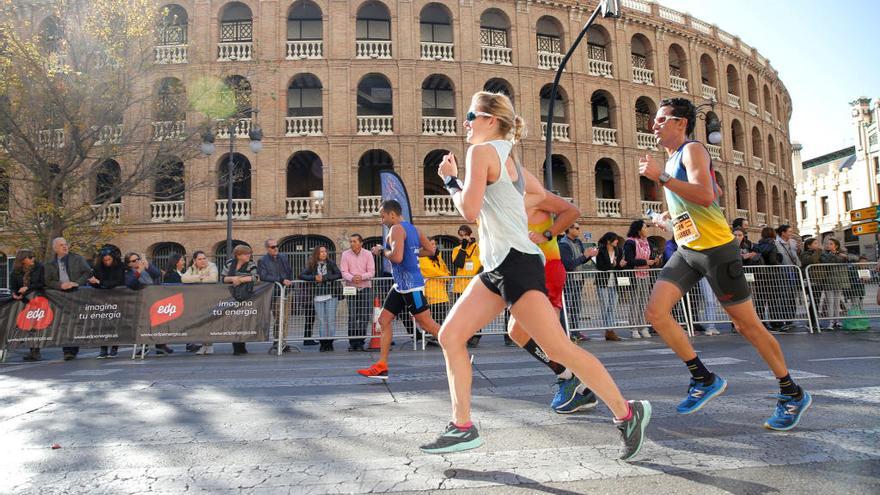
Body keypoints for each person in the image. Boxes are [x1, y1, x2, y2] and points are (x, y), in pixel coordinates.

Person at [422, 91, 650, 459]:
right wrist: (515, 208)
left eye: (471, 115)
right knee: (450, 335)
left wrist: (450, 180)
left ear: (490, 120)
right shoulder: (510, 161)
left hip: (516, 264)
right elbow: (539, 195)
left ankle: (627, 413)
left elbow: (468, 210)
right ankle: (462, 426)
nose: (465, 122)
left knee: (561, 348)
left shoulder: (480, 153)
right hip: (497, 266)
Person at [639, 97, 810, 431]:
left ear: (680, 123)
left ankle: (792, 392)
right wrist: (667, 219)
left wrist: (662, 178)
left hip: (717, 251)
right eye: (654, 121)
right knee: (656, 313)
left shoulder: (692, 149)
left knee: (748, 326)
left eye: (661, 120)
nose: (654, 126)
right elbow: (702, 197)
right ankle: (702, 378)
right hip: (687, 250)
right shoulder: (674, 158)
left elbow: (707, 195)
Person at [507, 189, 599, 414]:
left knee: (548, 336)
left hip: (546, 269)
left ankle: (612, 403)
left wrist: (547, 235)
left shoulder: (532, 191)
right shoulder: (503, 196)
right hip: (526, 270)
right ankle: (572, 380)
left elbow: (572, 211)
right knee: (518, 333)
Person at [356, 200, 442, 379]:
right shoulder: (414, 229)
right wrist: (413, 253)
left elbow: (396, 257)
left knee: (426, 323)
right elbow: (431, 251)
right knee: (384, 320)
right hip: (400, 286)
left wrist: (381, 250)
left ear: (392, 214)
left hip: (412, 286)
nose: (381, 220)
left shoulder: (395, 229)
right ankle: (382, 365)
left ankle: (458, 347)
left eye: (382, 216)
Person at [44, 237, 93, 361]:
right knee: (64, 322)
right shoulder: (49, 263)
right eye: (61, 245)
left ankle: (73, 348)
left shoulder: (77, 258)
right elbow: (47, 280)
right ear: (55, 248)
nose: (65, 247)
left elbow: (87, 272)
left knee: (75, 321)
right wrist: (60, 285)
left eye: (65, 244)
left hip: (76, 293)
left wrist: (76, 283)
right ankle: (67, 350)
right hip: (60, 295)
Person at [558, 223, 599, 342]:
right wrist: (584, 255)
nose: (578, 230)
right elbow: (569, 264)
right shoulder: (563, 244)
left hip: (579, 279)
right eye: (576, 228)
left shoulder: (579, 242)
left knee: (576, 307)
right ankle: (565, 332)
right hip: (569, 280)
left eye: (578, 228)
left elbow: (581, 259)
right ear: (568, 229)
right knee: (567, 307)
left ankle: (575, 332)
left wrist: (590, 255)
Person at [300, 246, 342, 352]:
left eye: (325, 252)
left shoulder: (331, 263)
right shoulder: (311, 264)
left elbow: (339, 274)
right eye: (321, 252)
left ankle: (330, 343)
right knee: (322, 321)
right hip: (317, 296)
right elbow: (301, 275)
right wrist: (314, 277)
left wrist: (326, 277)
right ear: (316, 254)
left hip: (331, 295)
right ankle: (323, 343)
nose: (324, 253)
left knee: (331, 320)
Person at [622, 220, 659, 339]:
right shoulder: (630, 243)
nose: (647, 229)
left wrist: (654, 261)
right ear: (638, 230)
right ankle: (633, 328)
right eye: (645, 227)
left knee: (644, 301)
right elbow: (630, 260)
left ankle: (643, 326)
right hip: (635, 275)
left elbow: (650, 257)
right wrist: (645, 262)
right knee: (635, 301)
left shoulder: (647, 242)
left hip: (646, 274)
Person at [221, 244, 259, 355]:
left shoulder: (251, 264)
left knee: (243, 320)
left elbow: (256, 277)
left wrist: (241, 280)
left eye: (249, 253)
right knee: (234, 321)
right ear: (238, 255)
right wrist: (233, 278)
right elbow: (223, 278)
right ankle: (236, 347)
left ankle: (242, 346)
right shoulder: (229, 263)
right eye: (246, 254)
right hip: (231, 296)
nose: (249, 255)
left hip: (245, 296)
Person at [258, 239, 294, 353]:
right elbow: (263, 276)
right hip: (274, 293)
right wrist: (280, 280)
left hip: (286, 291)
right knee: (279, 318)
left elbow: (289, 271)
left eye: (277, 246)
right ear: (268, 248)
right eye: (273, 247)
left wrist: (288, 281)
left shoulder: (283, 257)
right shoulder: (262, 260)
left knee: (285, 319)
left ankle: (282, 341)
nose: (276, 248)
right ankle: (277, 341)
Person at [340, 233, 375, 351]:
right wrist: (352, 278)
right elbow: (343, 271)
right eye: (351, 241)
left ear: (361, 243)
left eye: (354, 241)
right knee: (352, 315)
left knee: (364, 315)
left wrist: (361, 276)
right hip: (350, 287)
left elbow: (371, 272)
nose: (352, 244)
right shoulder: (345, 254)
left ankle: (361, 341)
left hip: (366, 287)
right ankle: (352, 342)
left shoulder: (368, 254)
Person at [89, 248, 125, 358]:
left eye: (109, 259)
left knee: (115, 323)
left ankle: (114, 347)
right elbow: (95, 282)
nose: (107, 262)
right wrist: (93, 282)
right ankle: (103, 348)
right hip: (102, 298)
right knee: (102, 324)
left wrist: (100, 282)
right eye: (105, 260)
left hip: (117, 297)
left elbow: (117, 281)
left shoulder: (120, 266)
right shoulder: (98, 268)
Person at [450, 225, 482, 347]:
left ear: (470, 235)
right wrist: (463, 248)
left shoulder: (478, 248)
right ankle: (464, 335)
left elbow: (483, 264)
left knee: (475, 312)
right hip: (460, 287)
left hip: (474, 286)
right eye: (461, 236)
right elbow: (459, 264)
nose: (463, 238)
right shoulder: (457, 250)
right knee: (462, 313)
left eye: (465, 235)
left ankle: (475, 335)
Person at [11, 249, 45, 361]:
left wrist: (28, 287)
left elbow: (42, 283)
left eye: (33, 256)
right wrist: (15, 294)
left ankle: (35, 352)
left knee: (34, 327)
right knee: (22, 326)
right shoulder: (16, 271)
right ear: (22, 259)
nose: (32, 259)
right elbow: (13, 286)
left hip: (37, 299)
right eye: (30, 257)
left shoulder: (39, 267)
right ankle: (22, 345)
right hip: (23, 301)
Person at [181, 251, 219, 354]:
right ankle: (204, 345)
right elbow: (184, 278)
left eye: (204, 258)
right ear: (195, 260)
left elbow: (213, 278)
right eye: (200, 259)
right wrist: (201, 277)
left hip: (209, 298)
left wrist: (195, 279)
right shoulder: (192, 268)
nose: (203, 261)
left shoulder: (212, 266)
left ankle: (209, 345)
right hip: (196, 300)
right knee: (200, 323)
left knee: (208, 322)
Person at [419, 236, 451, 342]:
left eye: (434, 244)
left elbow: (445, 269)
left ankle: (437, 336)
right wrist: (444, 276)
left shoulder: (438, 256)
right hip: (430, 292)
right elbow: (430, 271)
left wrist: (445, 275)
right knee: (433, 317)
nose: (434, 246)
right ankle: (433, 336)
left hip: (441, 292)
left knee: (441, 315)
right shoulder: (422, 257)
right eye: (431, 244)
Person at [595, 232, 626, 341]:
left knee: (612, 306)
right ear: (609, 241)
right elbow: (600, 266)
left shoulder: (619, 250)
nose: (617, 241)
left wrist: (620, 265)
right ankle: (609, 330)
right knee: (605, 306)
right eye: (615, 239)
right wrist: (612, 265)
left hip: (614, 282)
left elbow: (618, 267)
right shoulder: (600, 250)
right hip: (603, 282)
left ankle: (610, 330)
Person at [751, 227, 781, 326]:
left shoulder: (757, 246)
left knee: (760, 300)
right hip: (771, 275)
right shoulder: (772, 246)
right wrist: (779, 263)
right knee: (773, 300)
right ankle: (775, 322)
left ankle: (760, 323)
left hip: (759, 275)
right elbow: (772, 261)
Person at [774, 225, 801, 331]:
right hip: (782, 271)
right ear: (783, 233)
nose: (791, 233)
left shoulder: (793, 242)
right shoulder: (777, 243)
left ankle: (791, 319)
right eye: (789, 231)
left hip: (793, 270)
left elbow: (795, 256)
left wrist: (798, 250)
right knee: (783, 295)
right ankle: (783, 318)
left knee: (792, 295)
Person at [819, 238, 848, 330]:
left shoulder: (842, 254)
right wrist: (835, 254)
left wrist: (843, 256)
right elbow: (827, 261)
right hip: (828, 281)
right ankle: (830, 322)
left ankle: (837, 321)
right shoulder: (824, 254)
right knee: (830, 302)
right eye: (827, 244)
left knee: (836, 302)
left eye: (831, 244)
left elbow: (850, 260)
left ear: (836, 246)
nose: (828, 245)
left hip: (838, 280)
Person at [799, 238, 823, 331]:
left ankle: (814, 321)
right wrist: (819, 251)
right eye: (815, 243)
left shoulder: (820, 253)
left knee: (816, 302)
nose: (817, 245)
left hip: (819, 280)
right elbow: (811, 260)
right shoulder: (805, 254)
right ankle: (811, 321)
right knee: (812, 302)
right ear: (809, 245)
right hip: (810, 280)